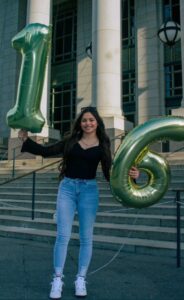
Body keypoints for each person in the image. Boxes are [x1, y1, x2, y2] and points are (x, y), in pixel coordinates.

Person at [18, 107, 139, 299]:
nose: (88, 123)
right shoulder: (71, 141)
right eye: (84, 120)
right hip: (67, 188)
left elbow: (110, 174)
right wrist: (26, 140)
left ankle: (81, 279)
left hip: (89, 191)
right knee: (63, 236)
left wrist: (131, 176)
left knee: (86, 238)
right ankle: (57, 279)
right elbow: (47, 151)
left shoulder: (103, 144)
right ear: (79, 123)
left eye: (91, 120)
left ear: (97, 122)